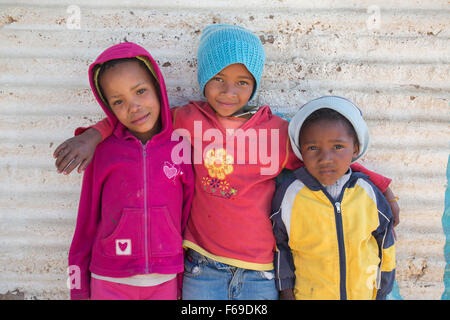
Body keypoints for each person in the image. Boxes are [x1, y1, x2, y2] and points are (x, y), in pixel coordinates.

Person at [56, 25, 397, 300]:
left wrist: (378, 184)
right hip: (201, 267)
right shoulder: (185, 120)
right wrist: (93, 135)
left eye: (242, 82)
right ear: (203, 77)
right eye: (218, 79)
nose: (229, 91)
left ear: (255, 84)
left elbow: (324, 158)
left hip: (260, 271)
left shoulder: (277, 132)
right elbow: (135, 118)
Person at [67, 42, 194, 300]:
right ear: (108, 107)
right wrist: (78, 289)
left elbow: (187, 217)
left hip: (164, 279)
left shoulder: (181, 145)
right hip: (109, 279)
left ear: (158, 88)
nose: (133, 106)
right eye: (118, 101)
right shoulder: (103, 152)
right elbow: (85, 224)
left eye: (140, 91)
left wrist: (181, 279)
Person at [271, 96, 396, 300]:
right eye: (312, 148)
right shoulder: (290, 195)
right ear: (300, 151)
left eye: (337, 146)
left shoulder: (368, 192)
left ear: (355, 148)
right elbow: (279, 246)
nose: (325, 158)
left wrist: (382, 290)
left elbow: (386, 242)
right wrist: (286, 291)